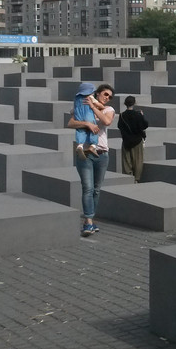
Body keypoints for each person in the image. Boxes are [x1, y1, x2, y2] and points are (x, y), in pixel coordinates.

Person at [69, 83, 115, 237]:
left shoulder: (108, 109)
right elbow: (70, 123)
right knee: (87, 188)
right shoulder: (84, 103)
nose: (107, 98)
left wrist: (93, 107)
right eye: (105, 94)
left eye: (110, 96)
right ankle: (88, 221)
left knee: (96, 189)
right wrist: (87, 123)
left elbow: (106, 121)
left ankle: (90, 219)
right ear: (97, 93)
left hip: (102, 154)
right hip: (85, 153)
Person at [116, 96, 150, 183]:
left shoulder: (122, 115)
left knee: (126, 162)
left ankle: (128, 179)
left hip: (126, 141)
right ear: (134, 103)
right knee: (138, 161)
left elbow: (119, 126)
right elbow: (145, 125)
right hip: (137, 141)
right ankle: (136, 179)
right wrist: (142, 116)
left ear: (125, 104)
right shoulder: (138, 115)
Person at [72, 82, 101, 159]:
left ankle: (80, 146)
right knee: (94, 130)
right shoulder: (89, 97)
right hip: (88, 116)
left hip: (79, 117)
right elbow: (99, 105)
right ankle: (93, 146)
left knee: (80, 131)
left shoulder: (76, 98)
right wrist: (101, 107)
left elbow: (73, 110)